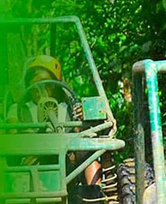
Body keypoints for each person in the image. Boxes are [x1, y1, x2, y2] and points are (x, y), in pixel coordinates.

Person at [7, 55, 99, 185]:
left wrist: (81, 120)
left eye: (48, 85)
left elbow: (78, 133)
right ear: (29, 85)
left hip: (64, 159)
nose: (42, 91)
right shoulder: (18, 109)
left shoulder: (65, 108)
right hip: (32, 159)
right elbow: (13, 137)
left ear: (56, 86)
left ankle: (95, 194)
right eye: (37, 85)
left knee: (88, 149)